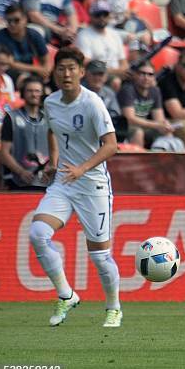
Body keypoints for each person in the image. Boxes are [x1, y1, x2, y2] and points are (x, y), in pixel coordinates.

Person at [29, 46, 122, 327]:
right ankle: (66, 294)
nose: (66, 74)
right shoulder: (50, 103)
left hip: (92, 186)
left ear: (81, 73)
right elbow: (52, 130)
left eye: (72, 68)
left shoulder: (92, 103)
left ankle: (114, 307)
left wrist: (82, 168)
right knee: (38, 233)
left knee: (100, 256)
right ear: (54, 73)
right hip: (63, 183)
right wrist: (54, 162)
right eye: (61, 68)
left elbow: (112, 146)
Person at [0, 77, 49, 190]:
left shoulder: (49, 119)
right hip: (18, 180)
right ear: (23, 93)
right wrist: (21, 172)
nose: (34, 94)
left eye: (37, 91)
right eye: (30, 91)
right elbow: (4, 153)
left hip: (45, 181)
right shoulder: (11, 117)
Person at [118, 61, 173, 148]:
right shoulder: (127, 90)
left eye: (150, 74)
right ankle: (138, 161)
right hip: (124, 127)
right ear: (135, 75)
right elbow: (130, 119)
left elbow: (159, 118)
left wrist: (164, 125)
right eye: (142, 74)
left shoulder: (155, 91)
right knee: (138, 132)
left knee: (166, 131)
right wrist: (157, 125)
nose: (146, 77)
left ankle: (165, 160)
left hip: (144, 125)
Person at [75, 0, 128, 86]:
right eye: (98, 15)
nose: (102, 18)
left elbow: (123, 62)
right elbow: (88, 64)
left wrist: (123, 72)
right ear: (91, 16)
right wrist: (116, 72)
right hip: (95, 75)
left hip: (116, 74)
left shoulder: (114, 34)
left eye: (105, 14)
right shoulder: (83, 35)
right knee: (116, 82)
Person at [0, 3, 50, 81]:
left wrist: (45, 72)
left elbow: (46, 60)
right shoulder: (1, 36)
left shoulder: (34, 35)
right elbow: (8, 63)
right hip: (10, 73)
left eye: (16, 20)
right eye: (9, 21)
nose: (12, 24)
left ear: (25, 19)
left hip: (32, 72)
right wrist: (38, 69)